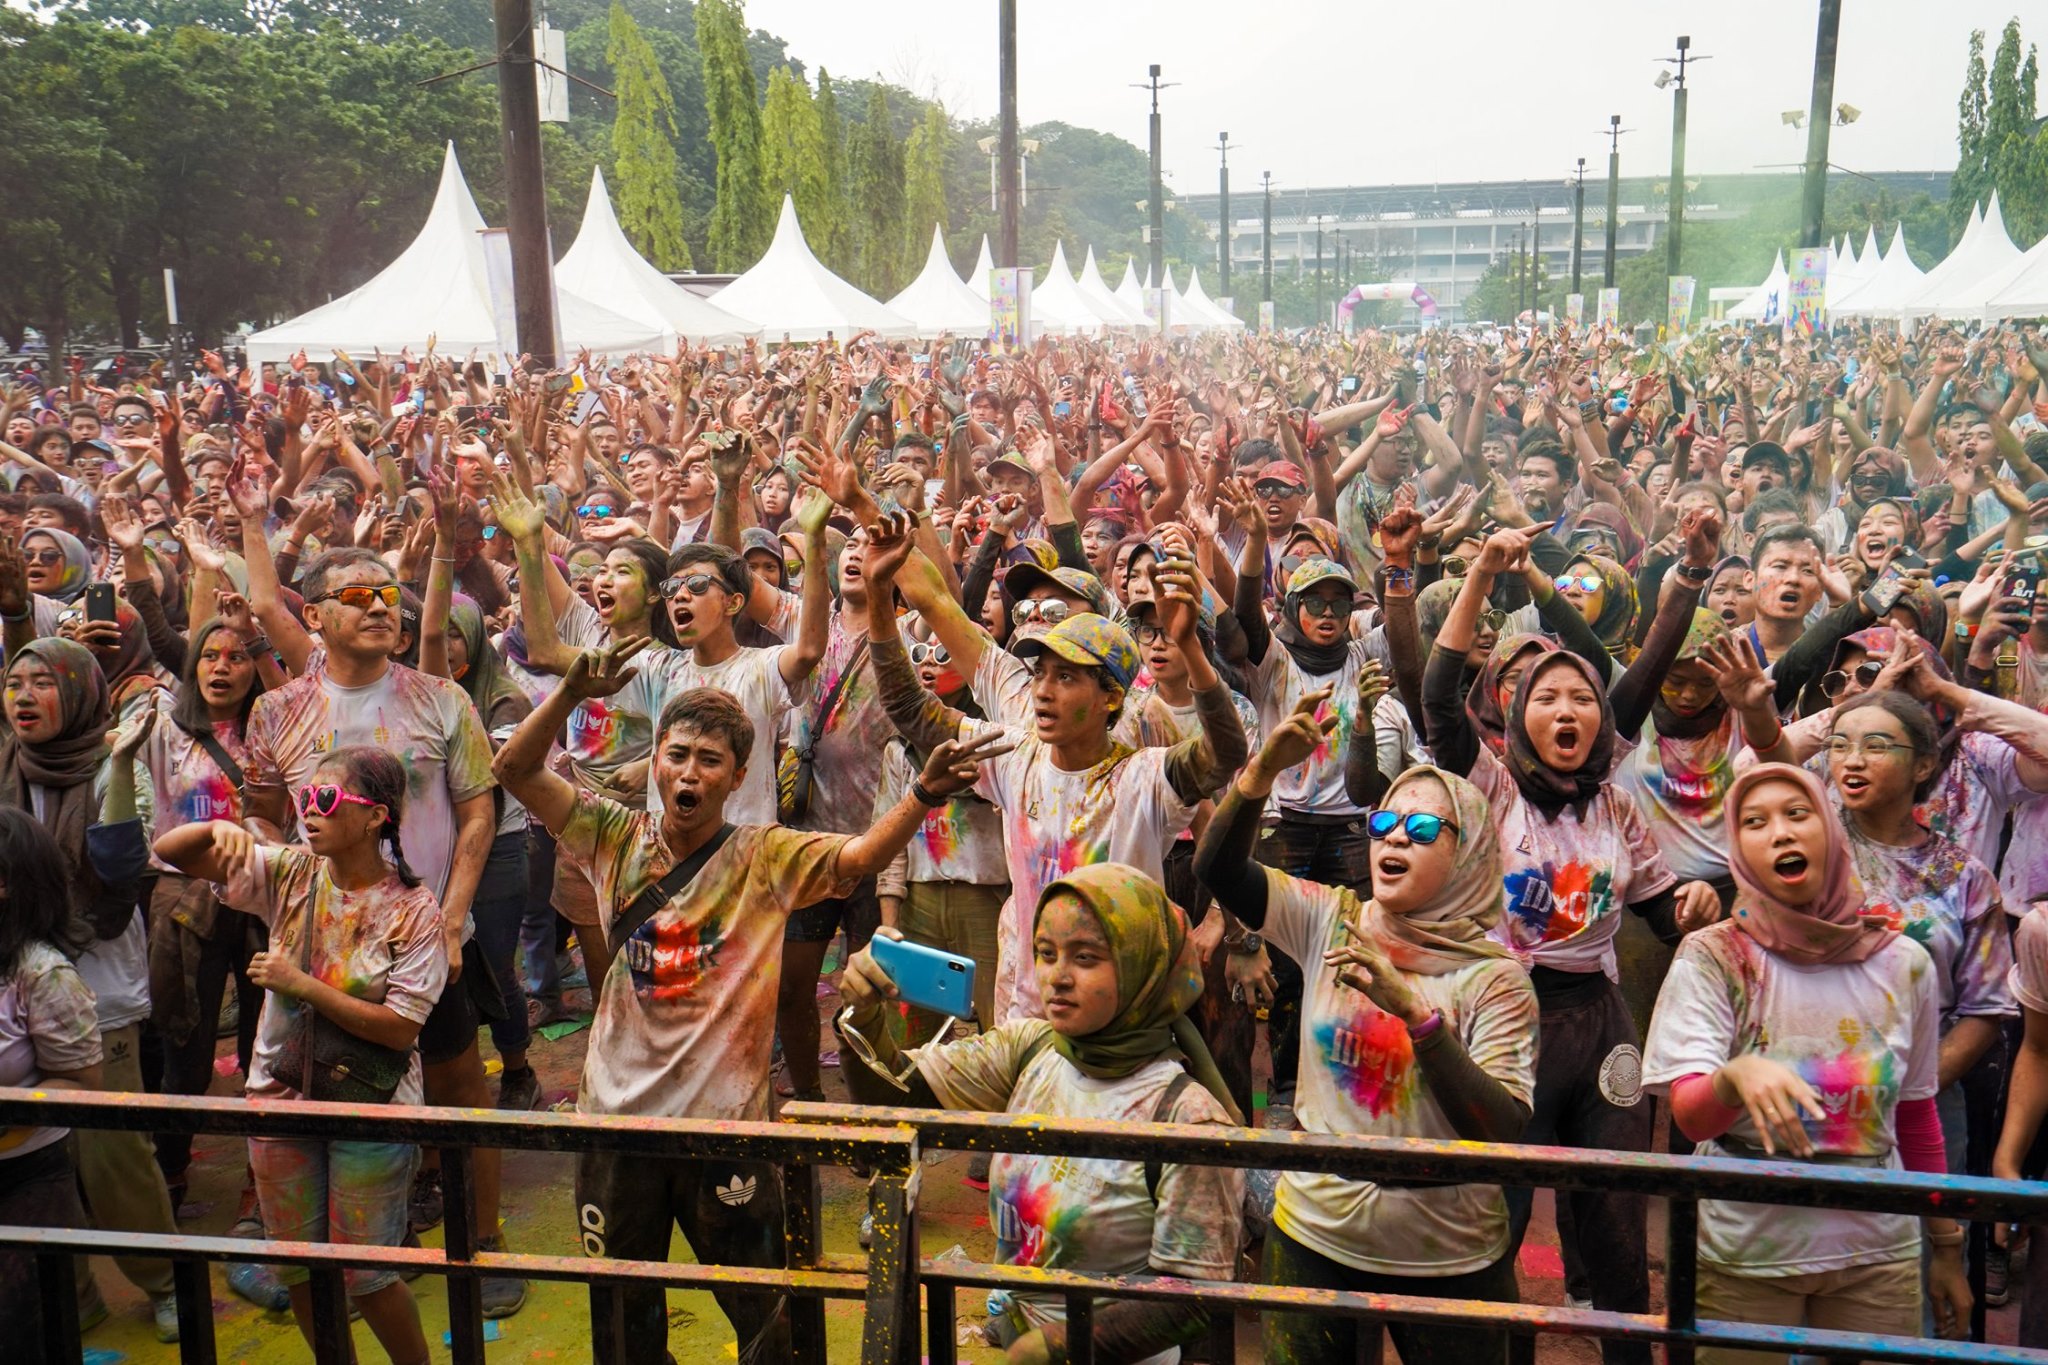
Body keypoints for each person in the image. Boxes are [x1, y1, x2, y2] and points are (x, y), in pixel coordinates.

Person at [492, 643, 1009, 1365]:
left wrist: (921, 794)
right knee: (621, 1318)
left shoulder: (765, 855)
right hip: (615, 1127)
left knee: (768, 1320)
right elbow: (513, 770)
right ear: (656, 764)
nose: (689, 771)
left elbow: (857, 860)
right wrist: (569, 692)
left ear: (737, 777)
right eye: (677, 754)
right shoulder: (612, 835)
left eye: (709, 759)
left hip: (727, 1132)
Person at [1196, 710, 1537, 1365]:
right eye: (1383, 822)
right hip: (1317, 1232)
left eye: (1423, 826)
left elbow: (1501, 1127)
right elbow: (1218, 867)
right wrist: (1262, 770)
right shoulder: (1331, 917)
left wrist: (1418, 1018)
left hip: (1450, 1247)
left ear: (1467, 851)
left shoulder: (1495, 979)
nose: (1394, 838)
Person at [239, 547, 525, 1316]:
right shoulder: (277, 712)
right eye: (358, 595)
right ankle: (338, 1249)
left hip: (425, 932)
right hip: (320, 943)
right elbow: (261, 808)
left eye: (388, 595)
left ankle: (483, 1241)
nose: (379, 607)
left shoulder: (442, 699)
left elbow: (477, 811)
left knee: (461, 1090)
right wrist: (274, 875)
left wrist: (454, 916)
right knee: (318, 1086)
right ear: (317, 616)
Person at [839, 863, 1245, 1365]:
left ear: (1144, 965)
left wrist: (1056, 1347)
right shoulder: (1031, 1050)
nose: (1057, 977)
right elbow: (899, 1098)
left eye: (1087, 958)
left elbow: (1192, 1298)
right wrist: (861, 1014)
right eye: (1047, 954)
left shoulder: (1186, 1118)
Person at [1643, 764, 1972, 1362]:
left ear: (1831, 830)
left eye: (1797, 814)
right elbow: (1692, 1119)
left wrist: (1945, 1244)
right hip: (1746, 1250)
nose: (1780, 833)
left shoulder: (1905, 964)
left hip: (1877, 1251)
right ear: (1737, 850)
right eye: (1754, 821)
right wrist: (1733, 1076)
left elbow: (1917, 1114)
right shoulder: (1714, 956)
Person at [154, 746, 448, 1365]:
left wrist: (302, 984)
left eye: (325, 800)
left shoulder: (415, 911)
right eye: (303, 800)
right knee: (297, 1270)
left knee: (367, 1277)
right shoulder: (290, 872)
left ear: (376, 818)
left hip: (372, 1109)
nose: (308, 812)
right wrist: (221, 828)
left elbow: (400, 1029)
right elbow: (171, 851)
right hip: (278, 1100)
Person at [0, 637, 183, 1340]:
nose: (22, 695)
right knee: (41, 1159)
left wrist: (120, 761)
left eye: (42, 682)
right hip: (11, 982)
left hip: (94, 985)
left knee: (109, 1153)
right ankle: (70, 1292)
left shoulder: (114, 762)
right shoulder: (7, 762)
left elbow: (118, 867)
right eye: (14, 681)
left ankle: (167, 1278)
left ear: (78, 693)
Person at [0, 807, 104, 1364]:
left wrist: (13, 1112)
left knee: (26, 1335)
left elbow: (83, 1083)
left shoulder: (42, 974)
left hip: (27, 1182)